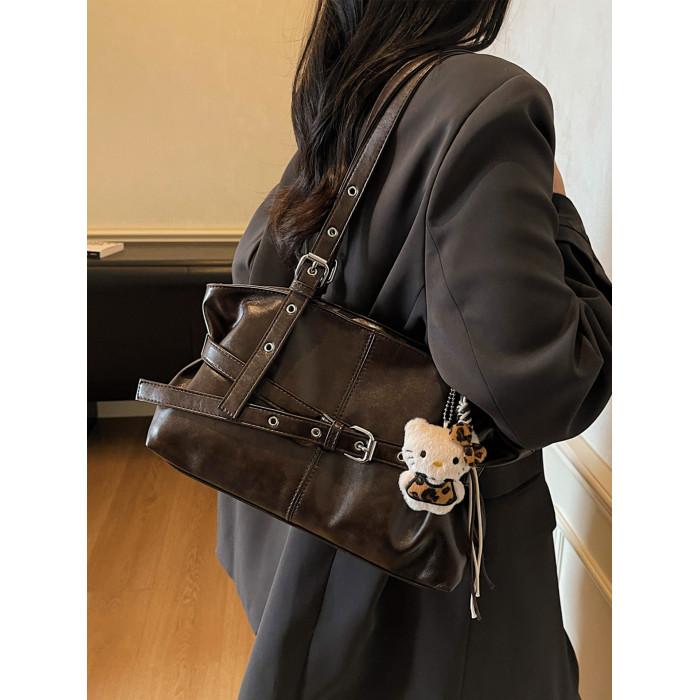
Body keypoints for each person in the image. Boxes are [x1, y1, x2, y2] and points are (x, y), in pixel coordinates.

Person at [216, 2, 612, 698]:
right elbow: (541, 387)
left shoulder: (348, 99)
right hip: (426, 589)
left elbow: (258, 279)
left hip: (305, 543)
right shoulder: (485, 101)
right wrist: (559, 215)